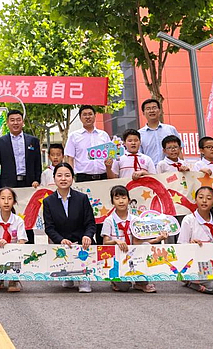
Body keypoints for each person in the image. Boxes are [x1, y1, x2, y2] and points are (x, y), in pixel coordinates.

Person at [42, 162, 96, 293]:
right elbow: (49, 228)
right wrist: (60, 240)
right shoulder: (48, 201)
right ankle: (67, 273)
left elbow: (90, 223)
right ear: (54, 178)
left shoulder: (82, 198)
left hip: (81, 241)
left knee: (84, 249)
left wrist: (87, 236)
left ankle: (83, 277)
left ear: (72, 178)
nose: (63, 179)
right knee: (61, 250)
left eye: (67, 175)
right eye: (59, 175)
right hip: (62, 242)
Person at [101, 185, 165, 293]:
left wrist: (157, 239)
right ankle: (115, 280)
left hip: (134, 255)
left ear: (129, 200)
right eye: (117, 198)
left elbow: (138, 242)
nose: (121, 201)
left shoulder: (135, 220)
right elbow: (105, 243)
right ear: (112, 202)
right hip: (118, 258)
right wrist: (116, 241)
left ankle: (141, 282)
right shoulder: (109, 220)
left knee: (146, 246)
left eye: (124, 198)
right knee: (124, 287)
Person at [0, 110, 42, 190]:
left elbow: (37, 163)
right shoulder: (0, 142)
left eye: (18, 120)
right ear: (7, 123)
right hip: (7, 184)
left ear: (23, 122)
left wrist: (37, 180)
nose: (15, 123)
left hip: (30, 184)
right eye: (12, 120)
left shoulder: (33, 140)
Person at [64, 105, 111, 182]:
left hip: (103, 176)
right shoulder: (74, 136)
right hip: (83, 178)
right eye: (84, 115)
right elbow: (70, 159)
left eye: (90, 114)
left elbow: (110, 155)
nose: (88, 117)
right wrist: (70, 177)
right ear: (80, 117)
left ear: (95, 116)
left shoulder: (104, 135)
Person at [138, 98, 181, 164]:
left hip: (170, 168)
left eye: (154, 108)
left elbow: (179, 151)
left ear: (160, 111)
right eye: (148, 109)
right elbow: (139, 155)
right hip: (149, 169)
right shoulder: (139, 134)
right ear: (143, 113)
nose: (151, 111)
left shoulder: (170, 129)